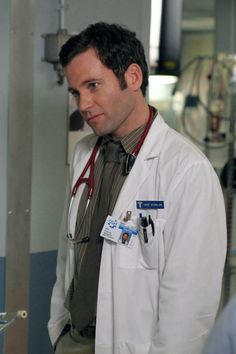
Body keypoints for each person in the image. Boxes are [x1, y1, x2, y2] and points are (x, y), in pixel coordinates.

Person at [48, 22, 227, 354]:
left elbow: (190, 300)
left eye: (93, 85)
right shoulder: (84, 154)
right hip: (73, 340)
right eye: (76, 92)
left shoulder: (187, 170)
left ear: (132, 77)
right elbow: (68, 251)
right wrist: (60, 330)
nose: (83, 104)